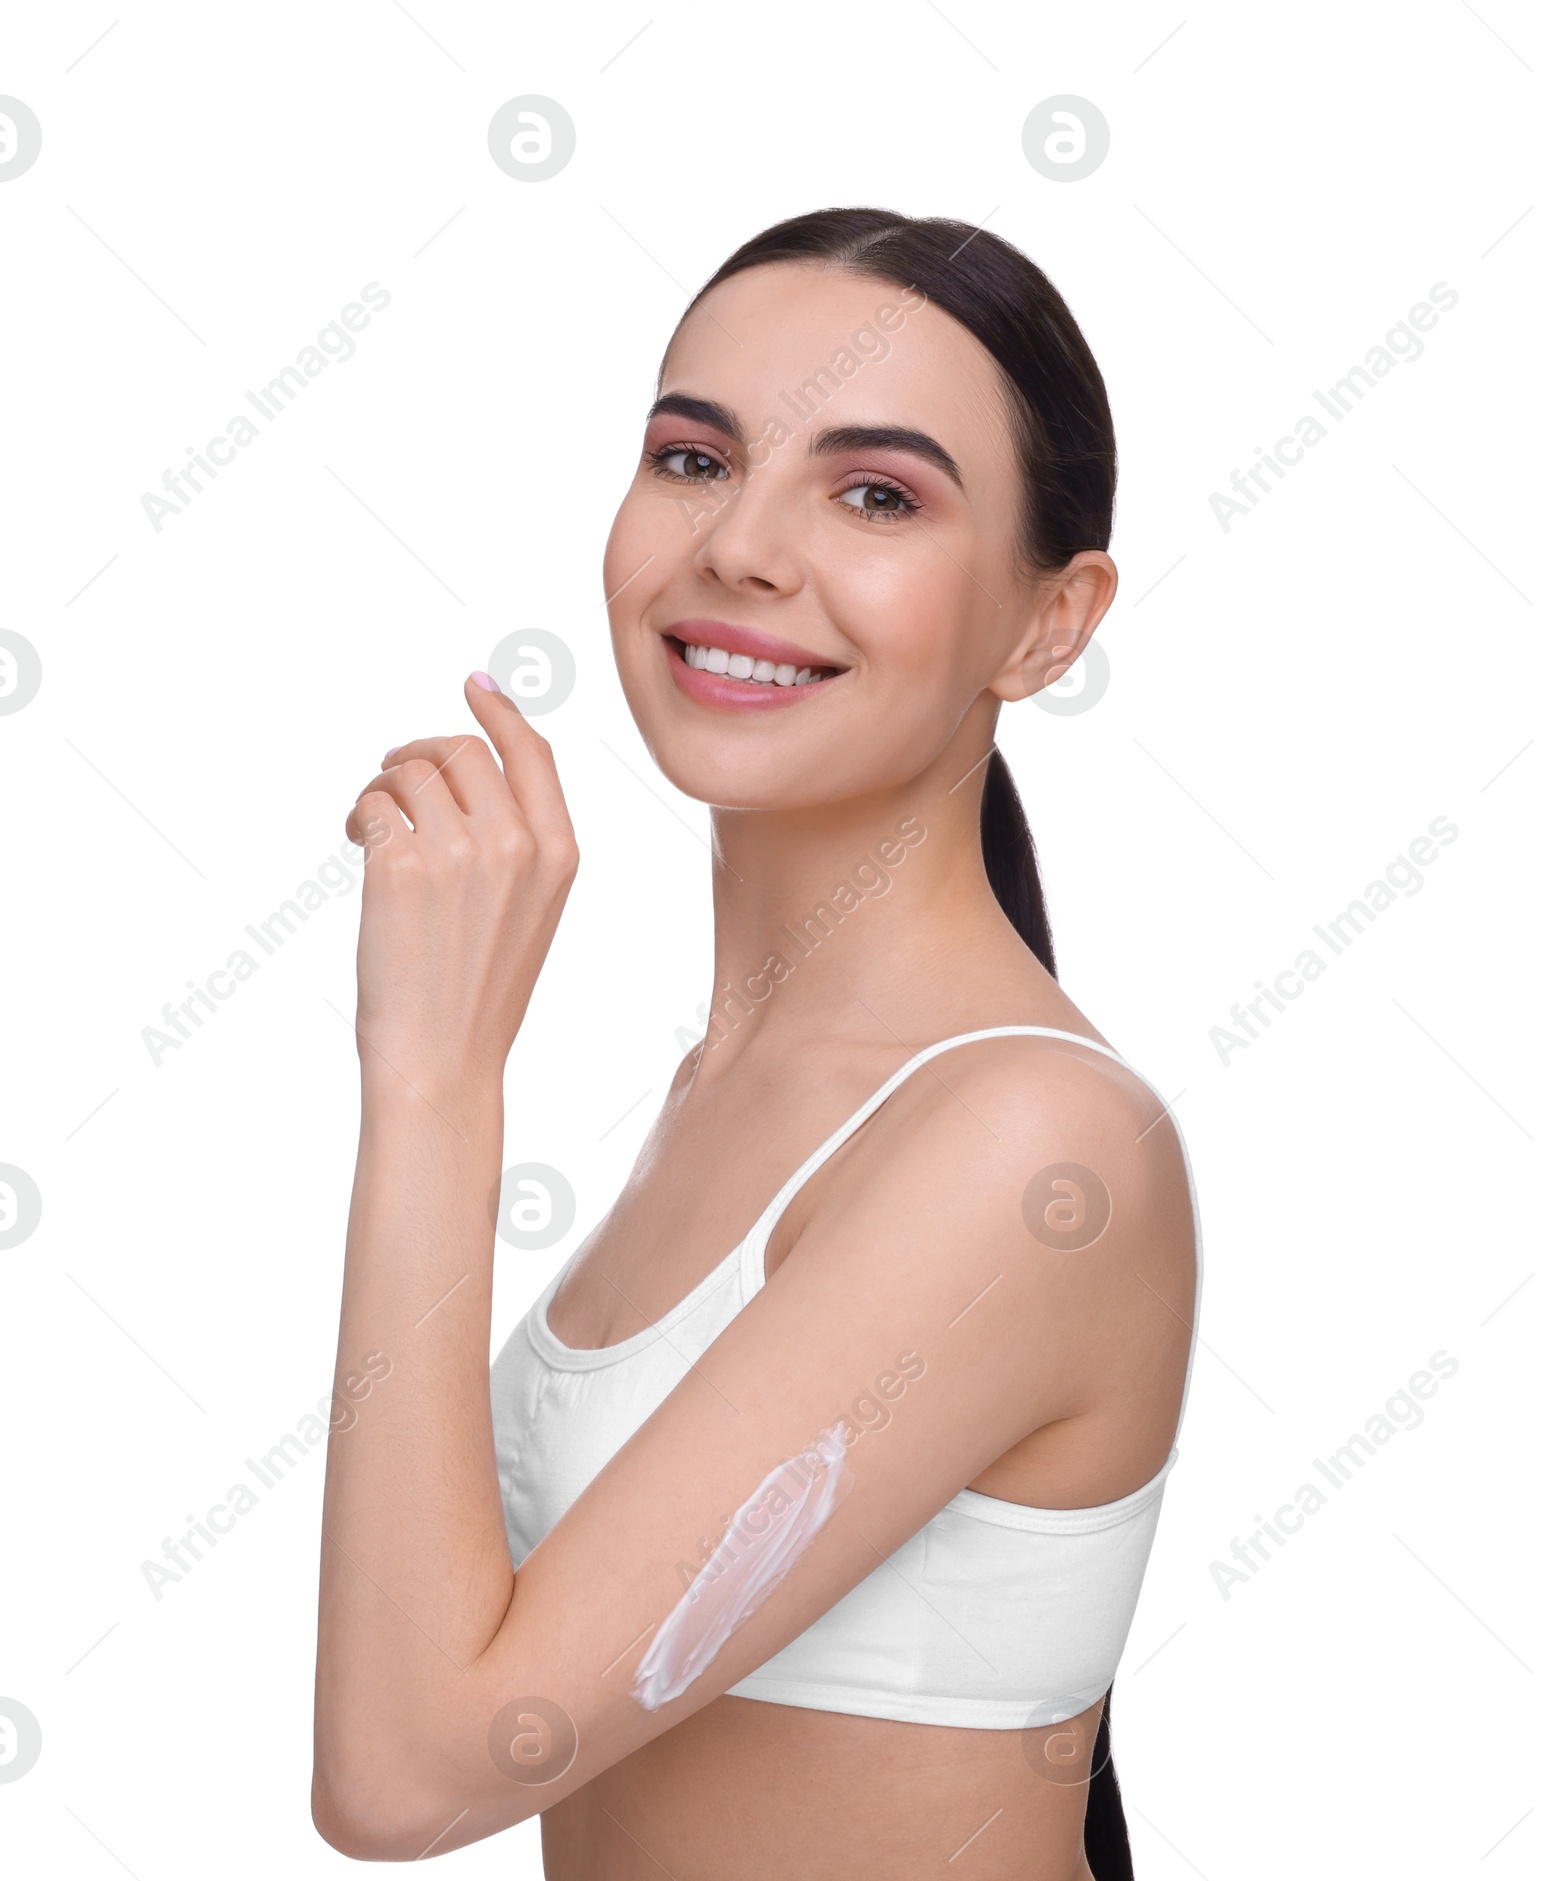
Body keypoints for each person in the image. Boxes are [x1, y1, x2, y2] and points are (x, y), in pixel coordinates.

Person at [312, 207, 1201, 1880]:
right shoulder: (732, 1093)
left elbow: (410, 1769)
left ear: (1049, 622)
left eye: (876, 493)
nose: (741, 549)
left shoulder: (1030, 1148)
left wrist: (432, 1081)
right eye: (694, 457)